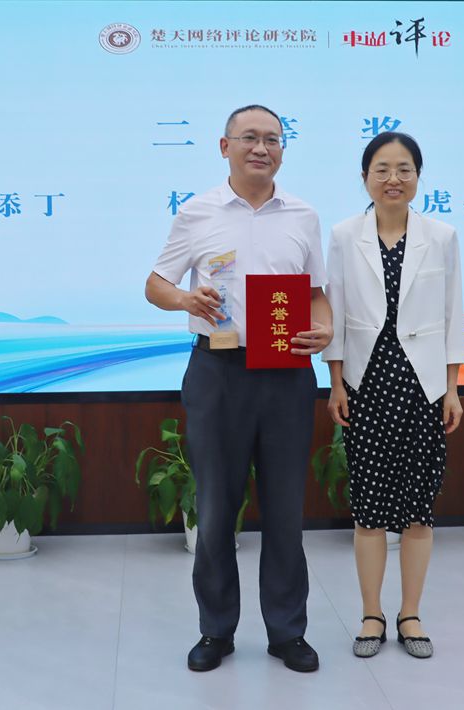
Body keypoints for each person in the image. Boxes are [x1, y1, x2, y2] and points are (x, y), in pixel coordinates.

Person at [145, 105, 332, 673]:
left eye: (273, 139)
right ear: (224, 146)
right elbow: (156, 284)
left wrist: (323, 328)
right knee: (216, 508)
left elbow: (317, 293)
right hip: (218, 373)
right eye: (249, 137)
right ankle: (216, 629)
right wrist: (186, 299)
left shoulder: (303, 214)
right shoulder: (197, 212)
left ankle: (287, 632)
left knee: (285, 511)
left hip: (286, 374)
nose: (261, 147)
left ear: (282, 150)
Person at [322, 132, 464, 659]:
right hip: (367, 385)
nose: (393, 179)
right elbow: (334, 312)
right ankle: (370, 614)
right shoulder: (343, 235)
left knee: (419, 512)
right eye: (381, 169)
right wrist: (336, 381)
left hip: (424, 387)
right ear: (365, 177)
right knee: (369, 511)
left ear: (418, 177)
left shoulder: (442, 236)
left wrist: (452, 388)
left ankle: (410, 613)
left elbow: (453, 314)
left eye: (404, 169)